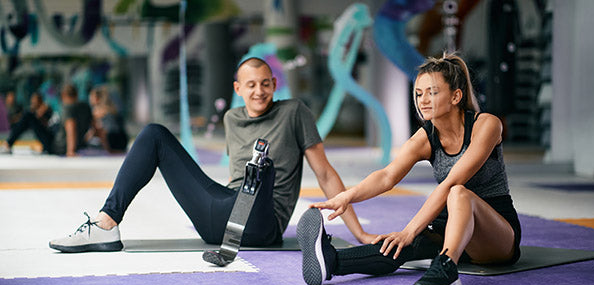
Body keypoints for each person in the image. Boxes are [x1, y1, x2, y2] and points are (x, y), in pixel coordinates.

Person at [49, 57, 374, 253]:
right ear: (237, 89)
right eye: (251, 85)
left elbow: (325, 174)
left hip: (263, 224)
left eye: (265, 84)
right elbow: (232, 179)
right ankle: (106, 223)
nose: (258, 91)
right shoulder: (233, 118)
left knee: (261, 166)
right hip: (218, 219)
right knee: (153, 135)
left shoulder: (294, 112)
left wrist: (358, 232)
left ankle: (259, 173)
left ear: (275, 84)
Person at [297, 53, 521, 285]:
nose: (423, 100)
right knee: (398, 244)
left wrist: (410, 229)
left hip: (496, 235)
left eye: (432, 92)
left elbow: (452, 183)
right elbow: (386, 176)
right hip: (449, 227)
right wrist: (346, 197)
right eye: (418, 93)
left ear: (456, 96)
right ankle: (332, 262)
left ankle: (447, 269)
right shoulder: (425, 138)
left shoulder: (486, 125)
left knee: (457, 193)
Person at [53, 83, 93, 157]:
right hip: (79, 145)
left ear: (63, 95)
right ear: (76, 94)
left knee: (30, 116)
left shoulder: (68, 108)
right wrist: (108, 148)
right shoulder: (85, 107)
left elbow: (71, 128)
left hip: (62, 147)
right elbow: (97, 127)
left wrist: (70, 151)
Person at [86, 86, 128, 153]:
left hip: (111, 140)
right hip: (122, 139)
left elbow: (98, 130)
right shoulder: (112, 108)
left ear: (97, 98)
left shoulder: (98, 111)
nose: (90, 99)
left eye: (91, 97)